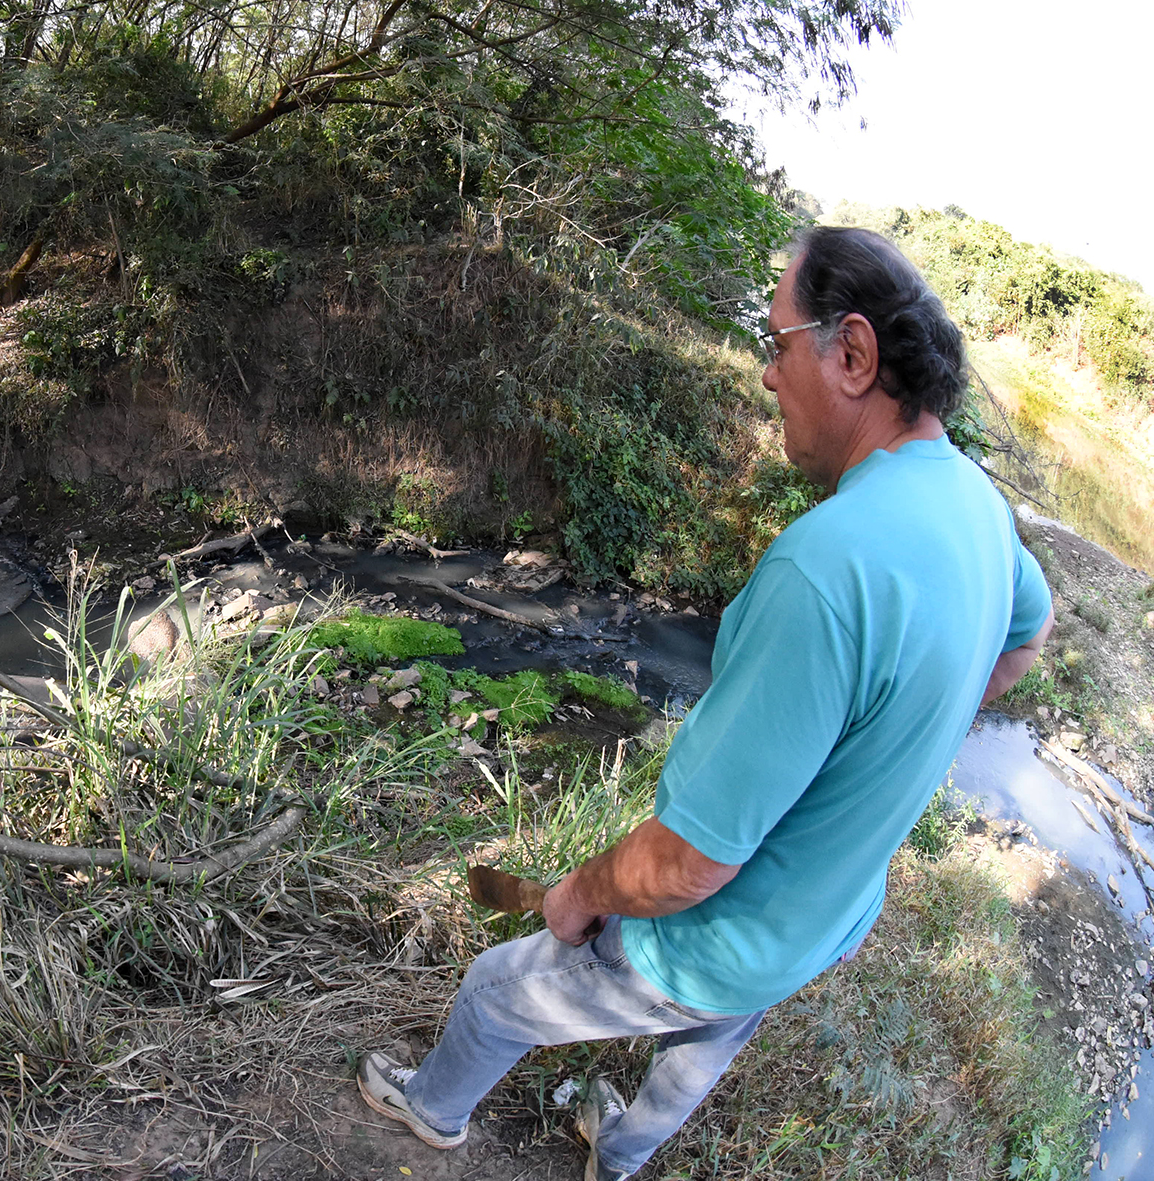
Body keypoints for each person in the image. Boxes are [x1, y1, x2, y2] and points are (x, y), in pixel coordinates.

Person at [355, 226, 1056, 1180]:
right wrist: (904, 730)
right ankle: (623, 1149)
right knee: (710, 1042)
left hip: (713, 938)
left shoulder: (828, 565)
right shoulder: (975, 503)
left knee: (494, 989)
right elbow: (1027, 633)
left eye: (776, 343)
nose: (766, 376)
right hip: (824, 917)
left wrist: (578, 894)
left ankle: (431, 1108)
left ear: (851, 353)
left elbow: (688, 864)